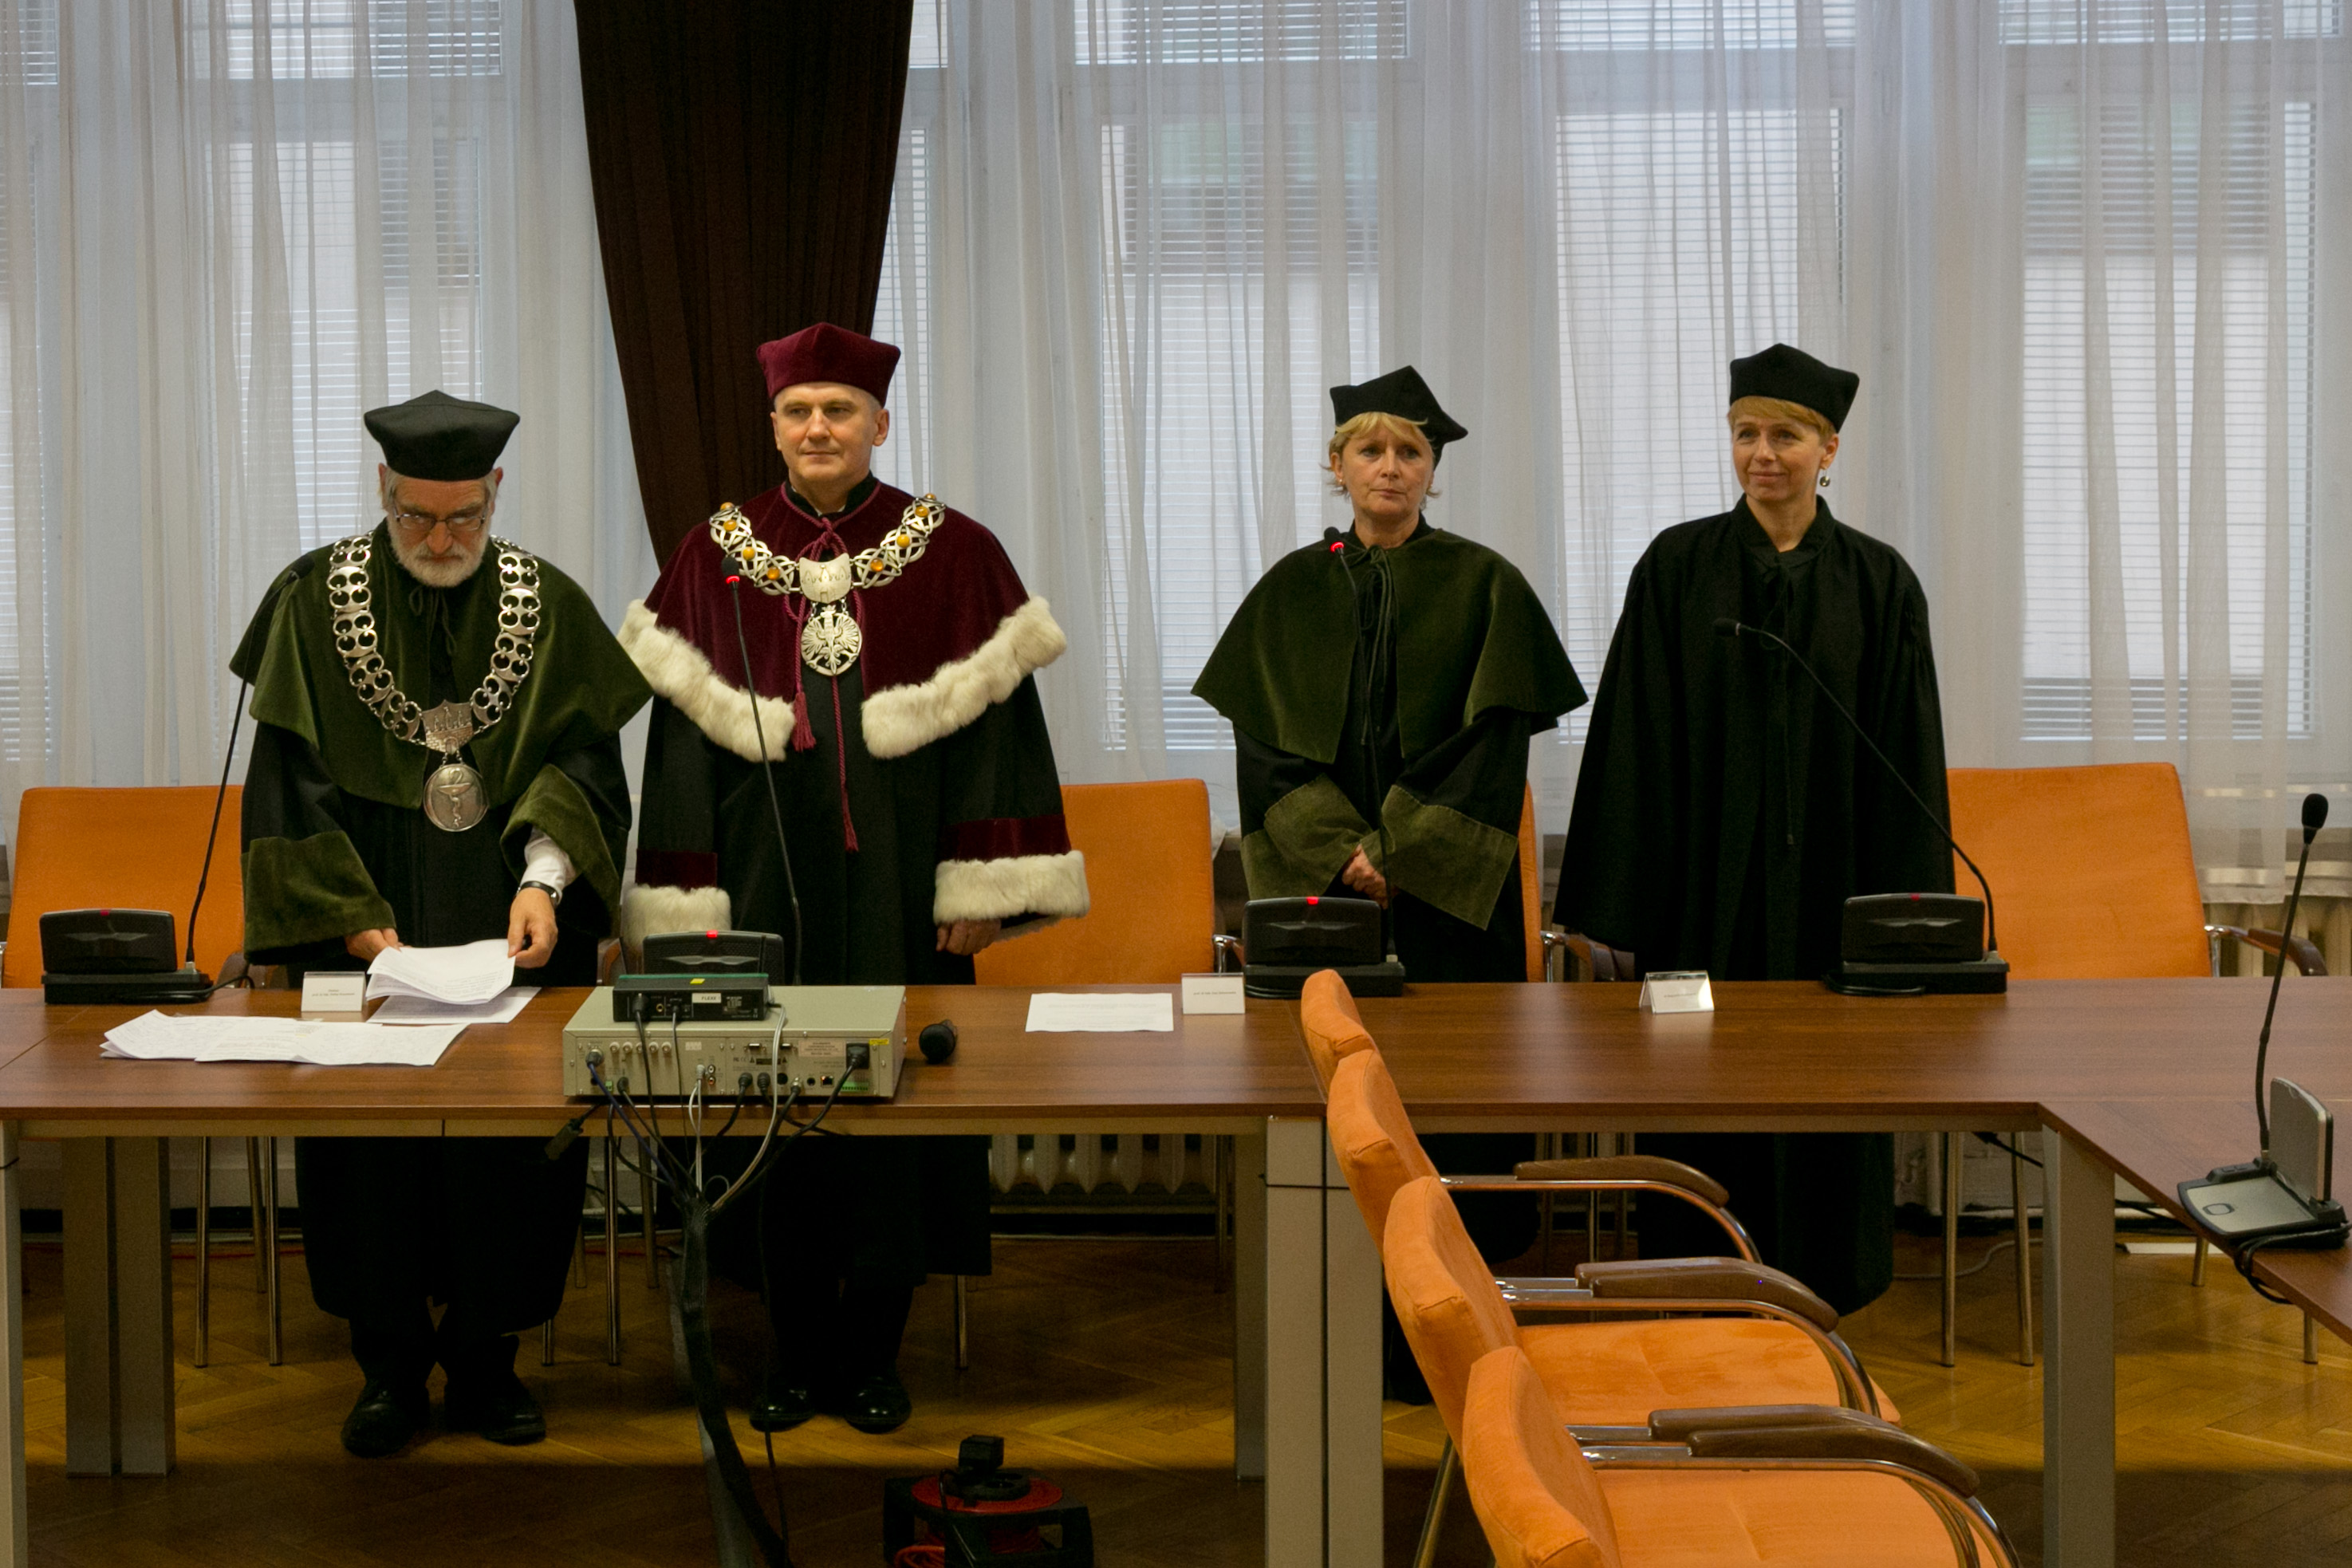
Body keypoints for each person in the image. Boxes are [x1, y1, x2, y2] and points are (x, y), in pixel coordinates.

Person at [619, 321, 1087, 1434]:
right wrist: (687, 906)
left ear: (880, 422)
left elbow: (1000, 744)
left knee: (896, 1122)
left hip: (904, 892)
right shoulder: (714, 553)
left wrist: (982, 889)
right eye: (799, 411)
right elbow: (677, 754)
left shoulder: (956, 551)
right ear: (773, 425)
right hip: (759, 892)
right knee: (766, 1120)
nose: (818, 428)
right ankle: (791, 1351)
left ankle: (875, 1350)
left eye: (839, 410)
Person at [235, 389, 651, 1456]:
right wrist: (351, 920)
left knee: (509, 1155)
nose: (438, 538)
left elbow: (585, 764)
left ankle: (486, 1360)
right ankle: (386, 1368)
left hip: (509, 926)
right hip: (364, 931)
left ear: (495, 493)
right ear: (383, 490)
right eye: (415, 515)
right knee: (367, 1153)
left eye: (462, 516)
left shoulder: (545, 603)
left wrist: (548, 878)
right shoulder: (312, 599)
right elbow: (287, 785)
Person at [1194, 366, 1585, 1395]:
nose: (1391, 466)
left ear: (1433, 471)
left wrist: (1400, 850)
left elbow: (1495, 746)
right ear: (1338, 465)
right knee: (1344, 1109)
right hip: (1327, 904)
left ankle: (1461, 1341)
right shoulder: (1290, 589)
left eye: (1410, 451)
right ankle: (1339, 1338)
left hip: (1454, 900)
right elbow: (1264, 750)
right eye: (1370, 449)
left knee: (1457, 1103)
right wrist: (1342, 853)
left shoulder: (1485, 584)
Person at [1554, 343, 1953, 1314]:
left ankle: (1822, 1289)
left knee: (1829, 1097)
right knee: (1699, 1099)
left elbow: (1907, 760)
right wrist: (1624, 903)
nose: (1762, 453)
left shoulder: (1880, 583)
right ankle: (1697, 1287)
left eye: (1784, 435)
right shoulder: (1676, 568)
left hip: (1832, 897)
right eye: (1745, 433)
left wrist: (1906, 923)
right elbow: (1633, 739)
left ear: (1829, 449)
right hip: (1705, 894)